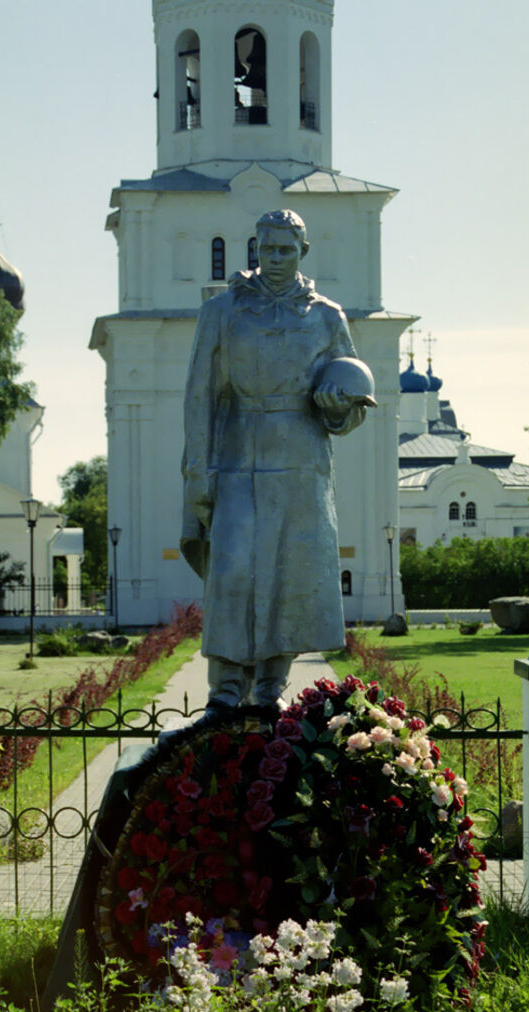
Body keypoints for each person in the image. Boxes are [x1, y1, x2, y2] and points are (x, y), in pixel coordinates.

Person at [181, 209, 373, 711]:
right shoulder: (222, 312)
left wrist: (337, 409)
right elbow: (200, 396)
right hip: (237, 451)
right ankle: (224, 692)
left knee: (290, 571)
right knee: (233, 569)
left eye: (287, 250)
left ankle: (270, 690)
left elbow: (353, 400)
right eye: (268, 250)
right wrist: (197, 472)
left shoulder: (327, 316)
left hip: (302, 457)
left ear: (303, 252)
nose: (277, 259)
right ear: (256, 250)